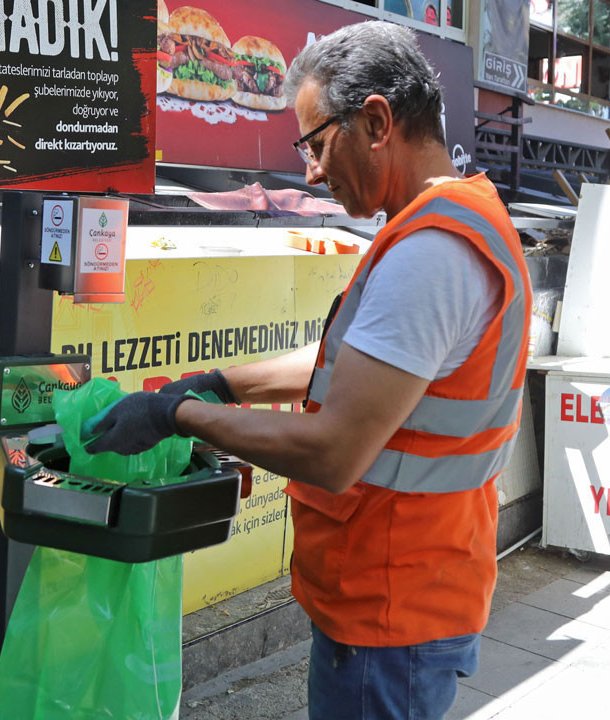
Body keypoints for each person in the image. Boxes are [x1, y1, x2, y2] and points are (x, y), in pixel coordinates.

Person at [87, 20, 531, 720]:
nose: (312, 172)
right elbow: (358, 371)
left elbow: (333, 452)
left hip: (391, 612)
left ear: (377, 121)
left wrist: (176, 414)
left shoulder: (431, 252)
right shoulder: (442, 223)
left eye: (318, 145)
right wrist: (225, 383)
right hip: (406, 588)